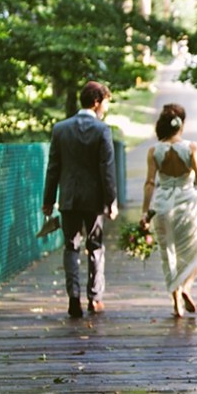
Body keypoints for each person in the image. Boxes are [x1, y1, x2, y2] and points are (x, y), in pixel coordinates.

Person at [43, 81, 118, 318]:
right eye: (105, 102)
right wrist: (111, 201)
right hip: (94, 201)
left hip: (69, 198)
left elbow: (53, 168)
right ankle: (94, 298)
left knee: (71, 246)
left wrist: (48, 199)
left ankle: (73, 297)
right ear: (96, 102)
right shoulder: (102, 130)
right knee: (95, 246)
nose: (105, 107)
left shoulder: (60, 129)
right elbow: (107, 169)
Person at [140, 103, 197, 317]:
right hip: (188, 205)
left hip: (163, 207)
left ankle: (176, 303)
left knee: (168, 254)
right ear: (181, 125)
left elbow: (149, 183)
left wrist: (145, 213)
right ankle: (186, 287)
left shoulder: (154, 151)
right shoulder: (192, 148)